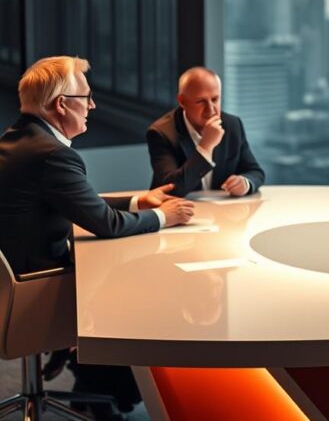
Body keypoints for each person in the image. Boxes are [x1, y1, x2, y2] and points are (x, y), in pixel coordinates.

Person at [0, 56, 194, 419]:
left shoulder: (19, 141)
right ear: (62, 104)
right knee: (140, 289)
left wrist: (138, 200)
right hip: (30, 297)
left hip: (9, 287)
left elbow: (74, 201)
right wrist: (162, 216)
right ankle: (106, 388)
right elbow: (106, 225)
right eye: (85, 97)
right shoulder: (51, 154)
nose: (92, 105)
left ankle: (86, 374)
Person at [146, 67, 265, 197]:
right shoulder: (160, 132)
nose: (210, 109)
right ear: (182, 101)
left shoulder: (232, 125)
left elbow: (255, 172)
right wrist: (206, 146)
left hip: (222, 212)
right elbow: (171, 189)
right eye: (201, 101)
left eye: (215, 99)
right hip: (176, 212)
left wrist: (245, 183)